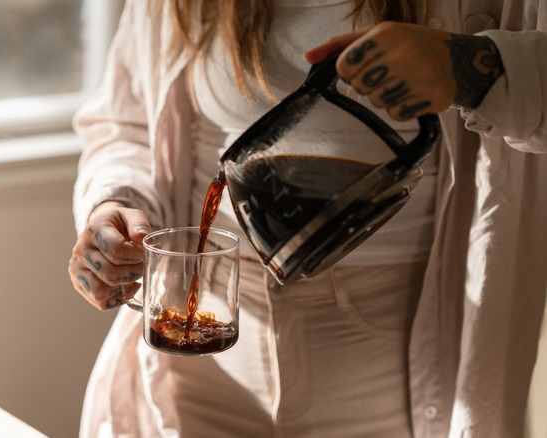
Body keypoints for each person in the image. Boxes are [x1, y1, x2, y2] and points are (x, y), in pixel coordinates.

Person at [68, 1, 547, 436]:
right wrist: (115, 201)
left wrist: (473, 66)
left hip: (392, 361)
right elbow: (125, 123)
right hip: (201, 366)